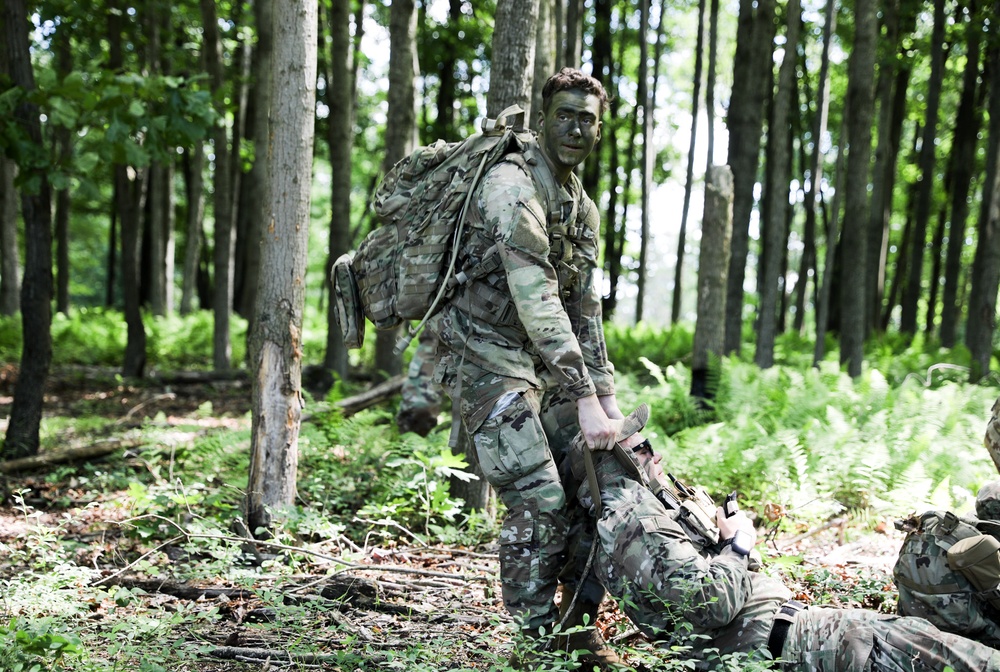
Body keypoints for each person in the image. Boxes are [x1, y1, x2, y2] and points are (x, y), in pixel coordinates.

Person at [432, 68, 635, 667]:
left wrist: (606, 396)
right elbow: (537, 295)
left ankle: (575, 627)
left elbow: (584, 307)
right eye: (565, 115)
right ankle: (533, 645)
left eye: (588, 118)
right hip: (484, 358)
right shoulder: (510, 185)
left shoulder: (582, 207)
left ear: (600, 129)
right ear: (543, 119)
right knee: (538, 496)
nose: (576, 127)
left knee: (603, 483)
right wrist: (583, 395)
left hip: (542, 366)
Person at [567, 420, 1000, 671]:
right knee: (955, 657)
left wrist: (723, 544)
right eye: (641, 448)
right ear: (613, 464)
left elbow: (693, 596)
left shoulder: (626, 524)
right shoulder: (633, 523)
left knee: (930, 639)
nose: (656, 455)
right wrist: (738, 544)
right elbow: (707, 605)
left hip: (794, 636)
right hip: (796, 644)